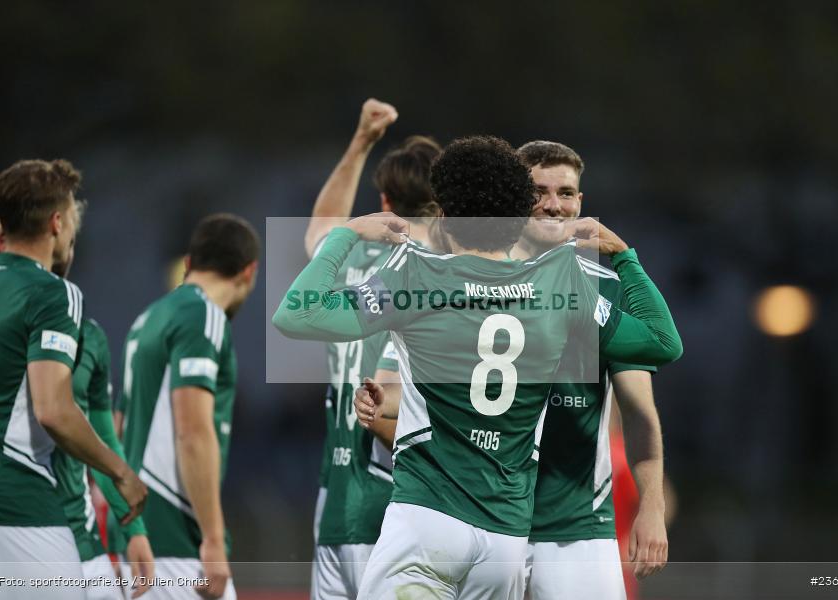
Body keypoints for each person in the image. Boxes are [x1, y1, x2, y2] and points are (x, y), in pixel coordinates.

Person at [274, 136, 682, 600]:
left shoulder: (416, 277)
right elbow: (664, 343)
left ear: (445, 217)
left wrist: (345, 236)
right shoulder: (562, 286)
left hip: (428, 520)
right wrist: (626, 258)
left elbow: (295, 314)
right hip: (504, 536)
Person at [510, 141, 668, 600]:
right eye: (538, 191)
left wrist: (651, 507)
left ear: (581, 202)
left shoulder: (608, 290)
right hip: (488, 524)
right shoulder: (476, 278)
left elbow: (639, 411)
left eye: (567, 192)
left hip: (579, 529)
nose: (553, 204)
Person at [0, 159, 147, 599]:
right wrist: (120, 473)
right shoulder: (53, 293)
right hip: (23, 509)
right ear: (57, 222)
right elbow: (53, 409)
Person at [303, 98, 442, 599]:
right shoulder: (441, 271)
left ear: (384, 200)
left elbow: (321, 226)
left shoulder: (349, 255)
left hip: (335, 501)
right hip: (396, 498)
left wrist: (361, 140)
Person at [119, 213, 260, 599]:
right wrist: (214, 540)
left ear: (188, 264)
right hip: (179, 540)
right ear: (249, 272)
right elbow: (193, 430)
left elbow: (117, 426)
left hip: (138, 540)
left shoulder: (146, 319)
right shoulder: (203, 317)